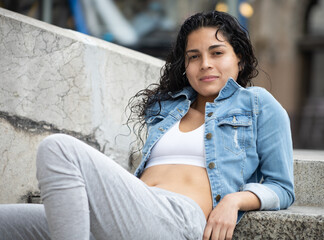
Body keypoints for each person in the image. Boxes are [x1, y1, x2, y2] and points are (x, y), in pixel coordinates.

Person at [0, 11, 294, 240]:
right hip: (131, 213)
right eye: (194, 57)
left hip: (177, 219)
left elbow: (281, 187)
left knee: (57, 148)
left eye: (217, 53)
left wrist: (234, 201)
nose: (205, 63)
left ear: (239, 59)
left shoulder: (257, 103)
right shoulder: (168, 108)